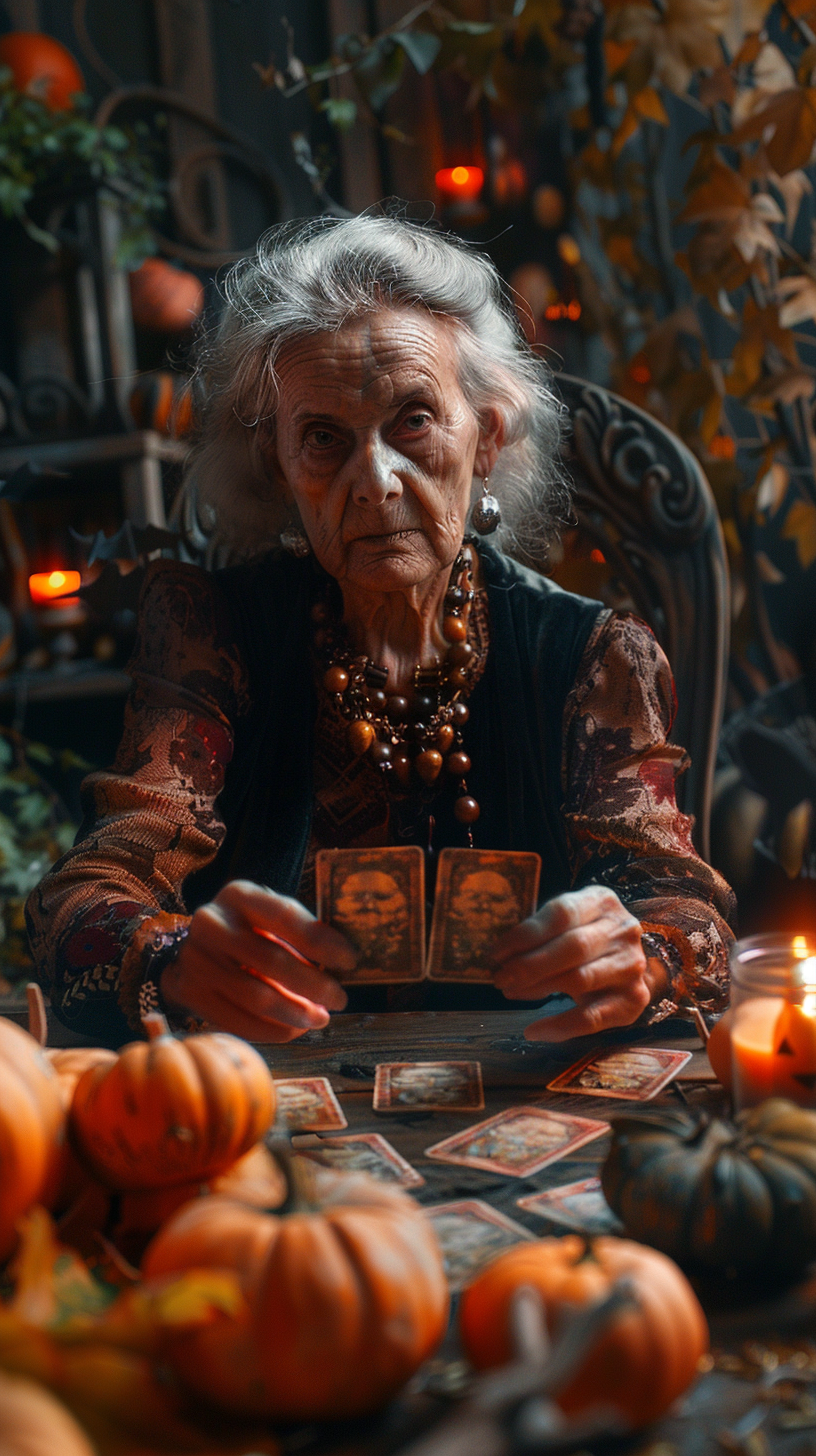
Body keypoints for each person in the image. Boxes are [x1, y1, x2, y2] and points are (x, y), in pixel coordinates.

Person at [26, 214, 734, 1047]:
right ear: (279, 469)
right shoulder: (211, 634)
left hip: (526, 1096)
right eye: (323, 439)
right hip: (268, 1105)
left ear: (487, 439)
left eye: (413, 421)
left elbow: (687, 912)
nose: (374, 482)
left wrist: (644, 955)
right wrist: (169, 956)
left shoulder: (593, 658)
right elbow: (84, 898)